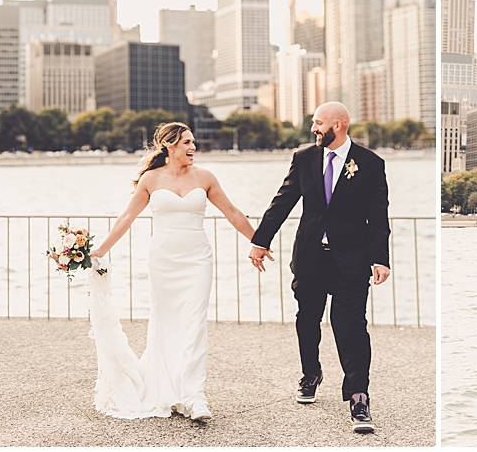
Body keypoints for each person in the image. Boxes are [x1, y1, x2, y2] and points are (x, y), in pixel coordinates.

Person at [87, 122, 255, 420]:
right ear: (170, 146)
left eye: (193, 142)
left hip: (198, 259)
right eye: (187, 142)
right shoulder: (151, 179)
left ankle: (195, 396)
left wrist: (259, 241)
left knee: (195, 323)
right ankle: (167, 389)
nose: (193, 148)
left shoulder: (205, 177)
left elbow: (231, 212)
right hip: (163, 260)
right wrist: (100, 249)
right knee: (165, 323)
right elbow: (127, 216)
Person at [248, 101, 391, 434]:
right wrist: (260, 241)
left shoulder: (370, 163)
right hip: (311, 257)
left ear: (338, 124)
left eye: (317, 123)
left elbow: (378, 216)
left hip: (351, 261)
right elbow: (282, 201)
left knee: (351, 327)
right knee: (307, 319)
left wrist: (380, 258)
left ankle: (358, 397)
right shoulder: (304, 158)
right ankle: (310, 374)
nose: (313, 128)